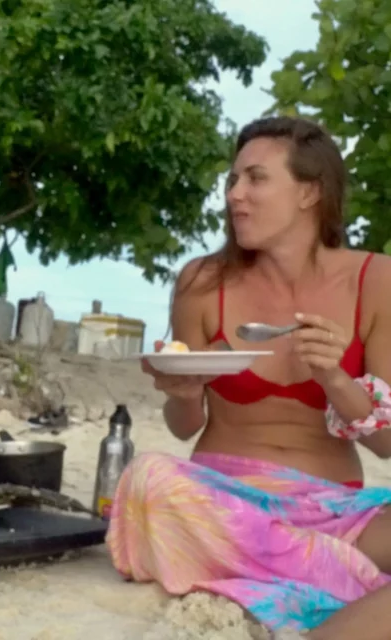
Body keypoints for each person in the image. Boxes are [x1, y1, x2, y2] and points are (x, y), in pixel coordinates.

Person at [106, 116, 391, 634]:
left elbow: (388, 444)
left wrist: (337, 381)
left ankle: (309, 571)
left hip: (337, 511)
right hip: (225, 499)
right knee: (150, 477)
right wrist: (184, 392)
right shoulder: (203, 280)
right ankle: (347, 585)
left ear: (310, 192)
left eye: (256, 178)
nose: (235, 194)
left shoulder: (376, 280)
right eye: (232, 180)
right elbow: (183, 426)